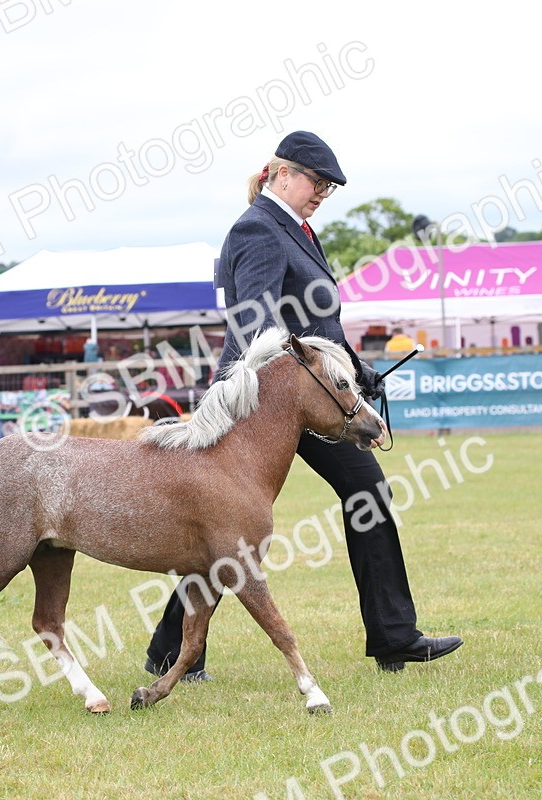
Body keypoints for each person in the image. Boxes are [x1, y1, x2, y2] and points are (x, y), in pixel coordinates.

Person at [144, 131, 462, 681]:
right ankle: (173, 650)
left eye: (328, 187)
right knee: (235, 527)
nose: (322, 192)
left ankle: (393, 636)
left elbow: (318, 324)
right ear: (280, 173)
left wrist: (354, 374)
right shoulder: (257, 230)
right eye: (317, 182)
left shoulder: (295, 230)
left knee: (362, 493)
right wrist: (325, 382)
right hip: (264, 399)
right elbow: (257, 325)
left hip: (303, 394)